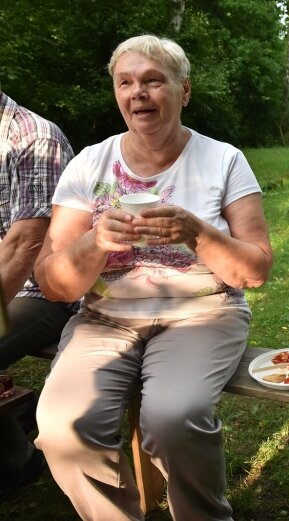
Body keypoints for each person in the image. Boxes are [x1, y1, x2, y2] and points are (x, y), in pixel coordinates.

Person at [32, 35, 273, 520]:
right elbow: (53, 281)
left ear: (184, 91)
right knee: (61, 426)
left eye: (153, 80)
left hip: (202, 314)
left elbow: (256, 269)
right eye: (126, 83)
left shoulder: (222, 160)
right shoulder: (89, 164)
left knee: (174, 417)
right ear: (118, 95)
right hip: (105, 318)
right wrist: (96, 241)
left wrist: (196, 232)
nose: (138, 92)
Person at [0, 88, 76, 498]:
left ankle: (19, 460)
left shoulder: (33, 138)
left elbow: (25, 244)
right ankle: (18, 431)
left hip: (43, 291)